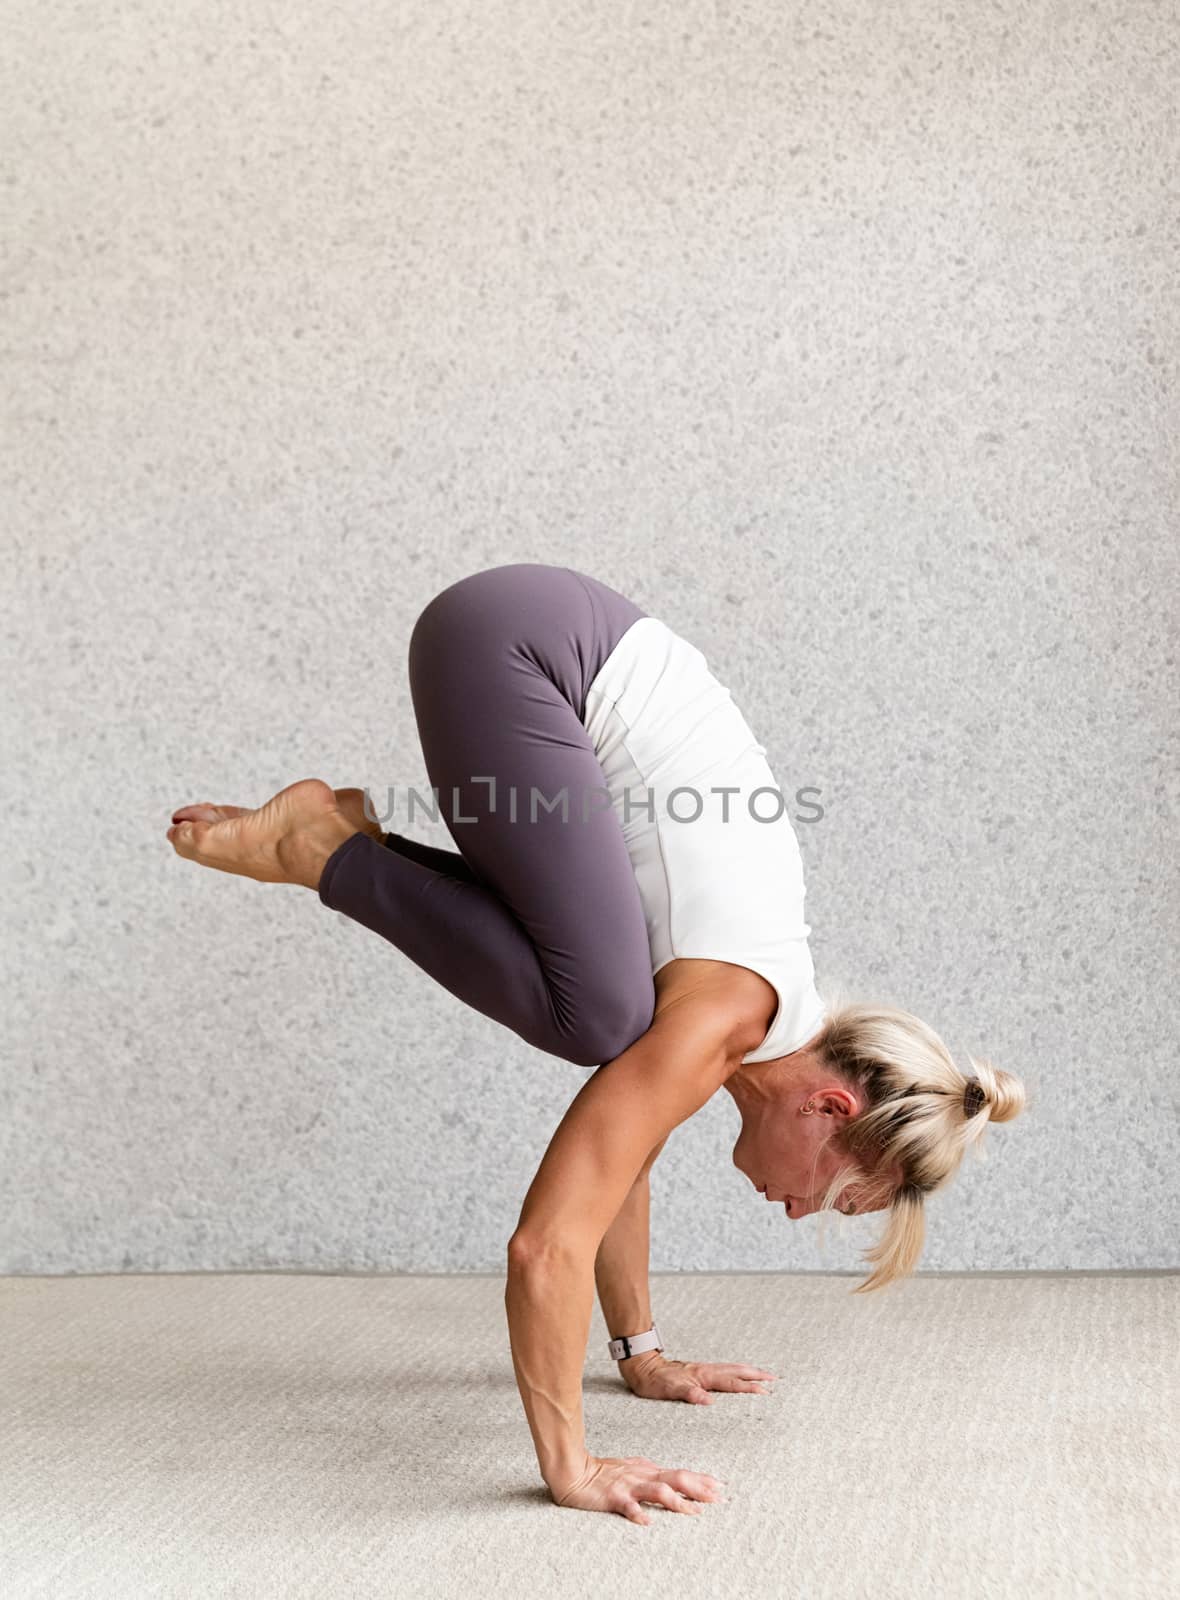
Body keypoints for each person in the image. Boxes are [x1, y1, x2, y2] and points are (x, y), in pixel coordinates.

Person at [166, 561, 1027, 1526]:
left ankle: (342, 841)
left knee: (610, 1023)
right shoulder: (724, 1020)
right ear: (831, 1106)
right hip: (522, 648)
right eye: (833, 1194)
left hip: (532, 636)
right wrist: (572, 1467)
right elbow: (545, 1247)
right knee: (599, 1017)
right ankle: (324, 849)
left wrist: (640, 1354)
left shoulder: (742, 1022)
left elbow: (621, 1170)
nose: (795, 1213)